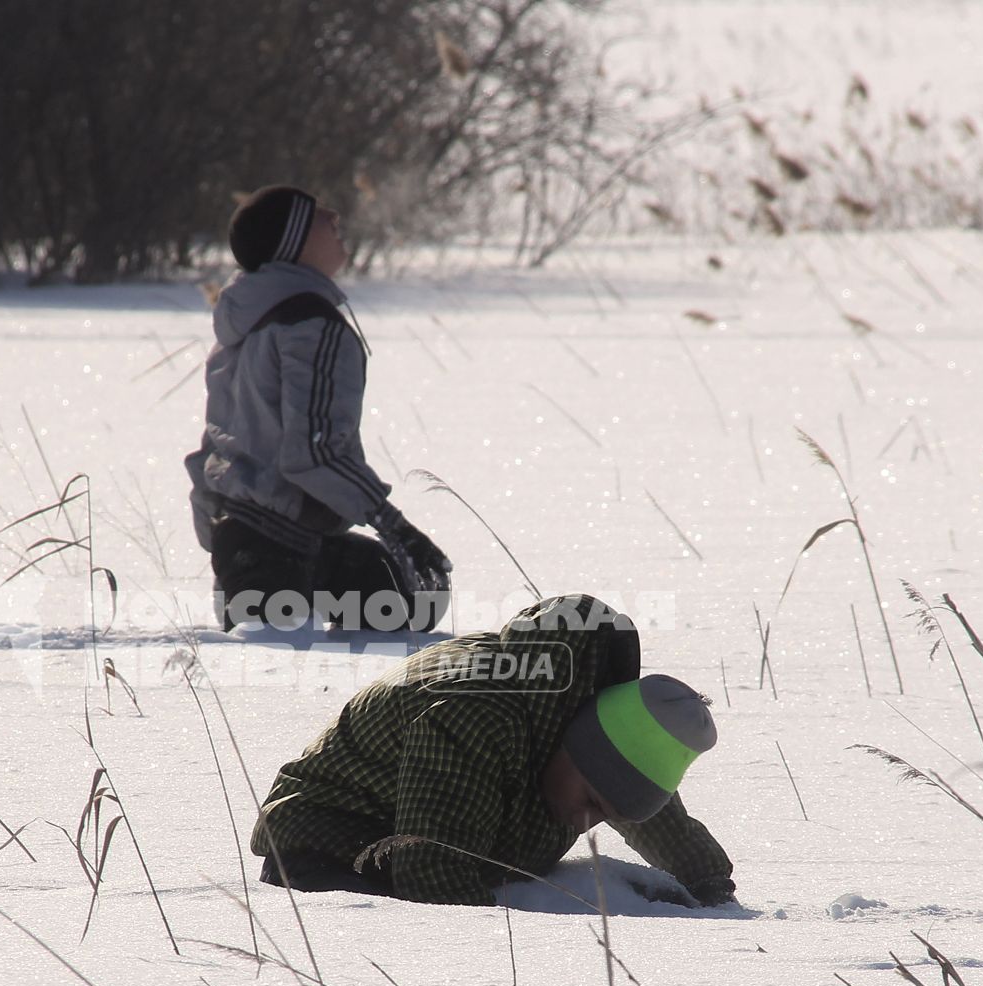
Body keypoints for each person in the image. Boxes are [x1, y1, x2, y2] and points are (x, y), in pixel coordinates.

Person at [250, 594, 737, 907]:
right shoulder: (476, 716)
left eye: (606, 812)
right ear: (579, 748)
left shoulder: (592, 719)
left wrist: (713, 890)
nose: (587, 822)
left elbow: (649, 814)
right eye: (592, 802)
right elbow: (434, 877)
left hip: (441, 838)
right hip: (327, 844)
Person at [185, 184, 452, 633]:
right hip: (272, 552)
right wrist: (396, 528)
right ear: (292, 244)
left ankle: (258, 597)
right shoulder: (309, 325)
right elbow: (314, 454)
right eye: (316, 216)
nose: (333, 216)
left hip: (254, 541)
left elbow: (214, 446)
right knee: (278, 676)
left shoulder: (247, 320)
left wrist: (222, 536)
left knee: (412, 605)